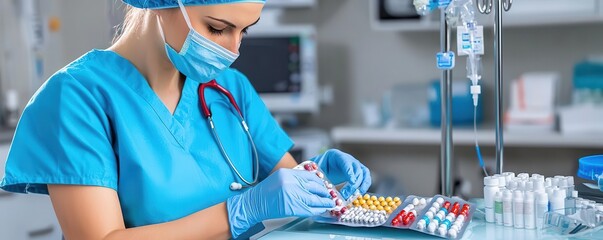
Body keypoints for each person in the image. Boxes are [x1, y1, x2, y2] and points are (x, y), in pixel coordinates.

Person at [0, 0, 372, 239]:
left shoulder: (229, 88)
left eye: (245, 30)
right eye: (217, 28)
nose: (234, 50)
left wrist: (319, 177)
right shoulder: (76, 97)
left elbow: (287, 181)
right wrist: (241, 211)